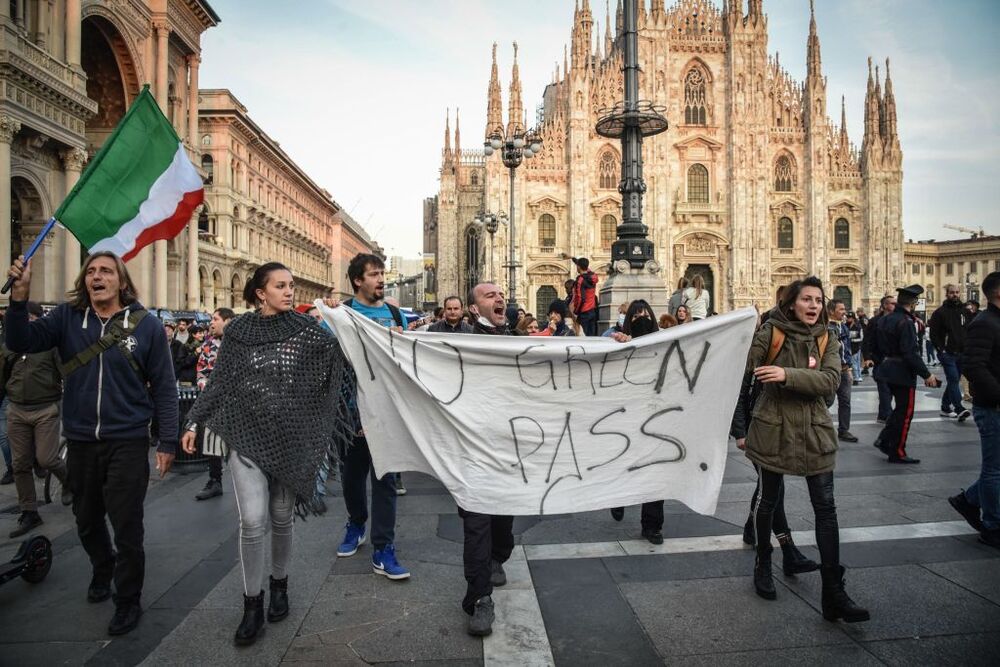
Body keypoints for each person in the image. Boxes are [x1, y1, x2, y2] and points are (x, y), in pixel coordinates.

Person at [5, 251, 178, 636]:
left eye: (105, 271)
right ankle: (103, 566)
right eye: (91, 271)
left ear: (121, 280)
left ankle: (128, 599)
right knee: (86, 520)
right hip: (81, 441)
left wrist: (168, 440)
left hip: (128, 441)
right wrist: (19, 296)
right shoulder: (66, 318)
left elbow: (165, 387)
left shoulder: (145, 325)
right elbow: (19, 339)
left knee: (127, 523)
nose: (96, 277)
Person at [182, 263, 349, 646]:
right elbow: (221, 382)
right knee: (252, 521)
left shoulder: (307, 330)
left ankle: (280, 584)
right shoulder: (238, 331)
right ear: (261, 292)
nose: (289, 291)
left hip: (291, 437)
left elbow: (338, 358)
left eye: (291, 285)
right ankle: (251, 604)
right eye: (281, 286)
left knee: (281, 517)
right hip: (246, 434)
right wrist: (194, 423)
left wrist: (343, 321)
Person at [740, 276, 869, 622]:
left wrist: (786, 375)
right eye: (807, 299)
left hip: (814, 431)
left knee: (826, 509)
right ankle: (764, 562)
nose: (814, 305)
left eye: (818, 300)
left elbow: (830, 381)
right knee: (768, 500)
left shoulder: (828, 338)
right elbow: (745, 366)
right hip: (772, 427)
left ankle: (834, 592)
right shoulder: (770, 332)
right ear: (791, 303)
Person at [334, 254, 410, 580]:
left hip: (386, 413)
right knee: (352, 478)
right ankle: (356, 521)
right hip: (350, 414)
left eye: (382, 273)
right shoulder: (341, 314)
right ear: (357, 281)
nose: (381, 279)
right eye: (374, 274)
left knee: (386, 482)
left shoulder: (394, 314)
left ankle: (384, 548)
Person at [460, 282, 516, 637]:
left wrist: (615, 343)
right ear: (474, 309)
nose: (498, 298)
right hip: (473, 447)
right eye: (488, 295)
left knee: (502, 519)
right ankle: (480, 596)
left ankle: (499, 555)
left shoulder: (520, 340)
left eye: (500, 294)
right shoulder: (459, 344)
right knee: (476, 520)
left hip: (511, 446)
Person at [4, 301, 70, 538]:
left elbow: (66, 372)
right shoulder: (10, 345)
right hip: (17, 409)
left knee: (47, 458)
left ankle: (69, 482)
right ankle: (29, 510)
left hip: (45, 409)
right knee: (20, 463)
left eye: (29, 318)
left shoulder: (49, 344)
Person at [607, 300, 669, 544]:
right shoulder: (619, 339)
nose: (641, 318)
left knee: (655, 470)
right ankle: (617, 498)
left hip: (657, 416)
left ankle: (652, 525)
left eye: (645, 314)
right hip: (627, 414)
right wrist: (617, 341)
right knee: (623, 462)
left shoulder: (666, 339)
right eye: (635, 316)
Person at [949, 272, 1000, 548]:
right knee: (994, 470)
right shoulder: (985, 323)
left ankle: (968, 500)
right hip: (992, 407)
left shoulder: (994, 321)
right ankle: (992, 526)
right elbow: (973, 365)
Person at [872, 285, 941, 464]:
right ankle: (898, 451)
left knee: (899, 410)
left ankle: (884, 440)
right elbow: (910, 352)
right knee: (905, 413)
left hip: (887, 369)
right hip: (902, 372)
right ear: (914, 302)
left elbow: (874, 346)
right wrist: (927, 375)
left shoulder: (885, 320)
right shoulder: (906, 322)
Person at [192, 307, 235, 501]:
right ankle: (215, 480)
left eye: (215, 319)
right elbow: (201, 371)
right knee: (211, 440)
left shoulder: (240, 344)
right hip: (214, 402)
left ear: (227, 321)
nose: (211, 323)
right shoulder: (209, 345)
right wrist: (205, 386)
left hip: (238, 404)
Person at [929, 284, 971, 421]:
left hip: (962, 352)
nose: (955, 295)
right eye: (952, 292)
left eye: (957, 292)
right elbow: (933, 333)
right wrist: (941, 349)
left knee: (955, 380)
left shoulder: (965, 311)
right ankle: (959, 408)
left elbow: (969, 329)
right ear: (946, 294)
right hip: (948, 353)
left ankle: (945, 407)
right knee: (953, 378)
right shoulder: (940, 312)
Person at [827, 300, 858, 443]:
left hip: (844, 370)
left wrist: (850, 369)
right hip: (830, 370)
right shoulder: (825, 327)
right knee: (826, 401)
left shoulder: (844, 327)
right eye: (841, 309)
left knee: (845, 401)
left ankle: (844, 430)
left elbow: (847, 349)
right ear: (832, 311)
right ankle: (820, 428)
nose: (844, 311)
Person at [862, 295, 896, 423]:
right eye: (892, 303)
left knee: (890, 389)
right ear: (885, 305)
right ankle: (888, 414)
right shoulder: (874, 321)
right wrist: (867, 358)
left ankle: (882, 415)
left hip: (894, 361)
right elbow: (867, 341)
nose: (895, 305)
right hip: (879, 360)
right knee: (884, 389)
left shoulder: (898, 319)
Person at [570, 257, 599, 336]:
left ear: (578, 267)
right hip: (592, 310)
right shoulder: (593, 277)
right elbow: (587, 269)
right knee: (591, 336)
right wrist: (573, 259)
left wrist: (576, 311)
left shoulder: (580, 280)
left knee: (583, 336)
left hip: (583, 312)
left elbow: (580, 298)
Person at [846, 311, 864, 384]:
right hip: (849, 347)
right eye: (847, 317)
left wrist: (852, 340)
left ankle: (857, 377)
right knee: (853, 362)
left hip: (856, 347)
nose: (848, 319)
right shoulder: (845, 325)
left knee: (855, 362)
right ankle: (856, 377)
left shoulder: (858, 326)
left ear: (853, 318)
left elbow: (861, 337)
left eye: (850, 318)